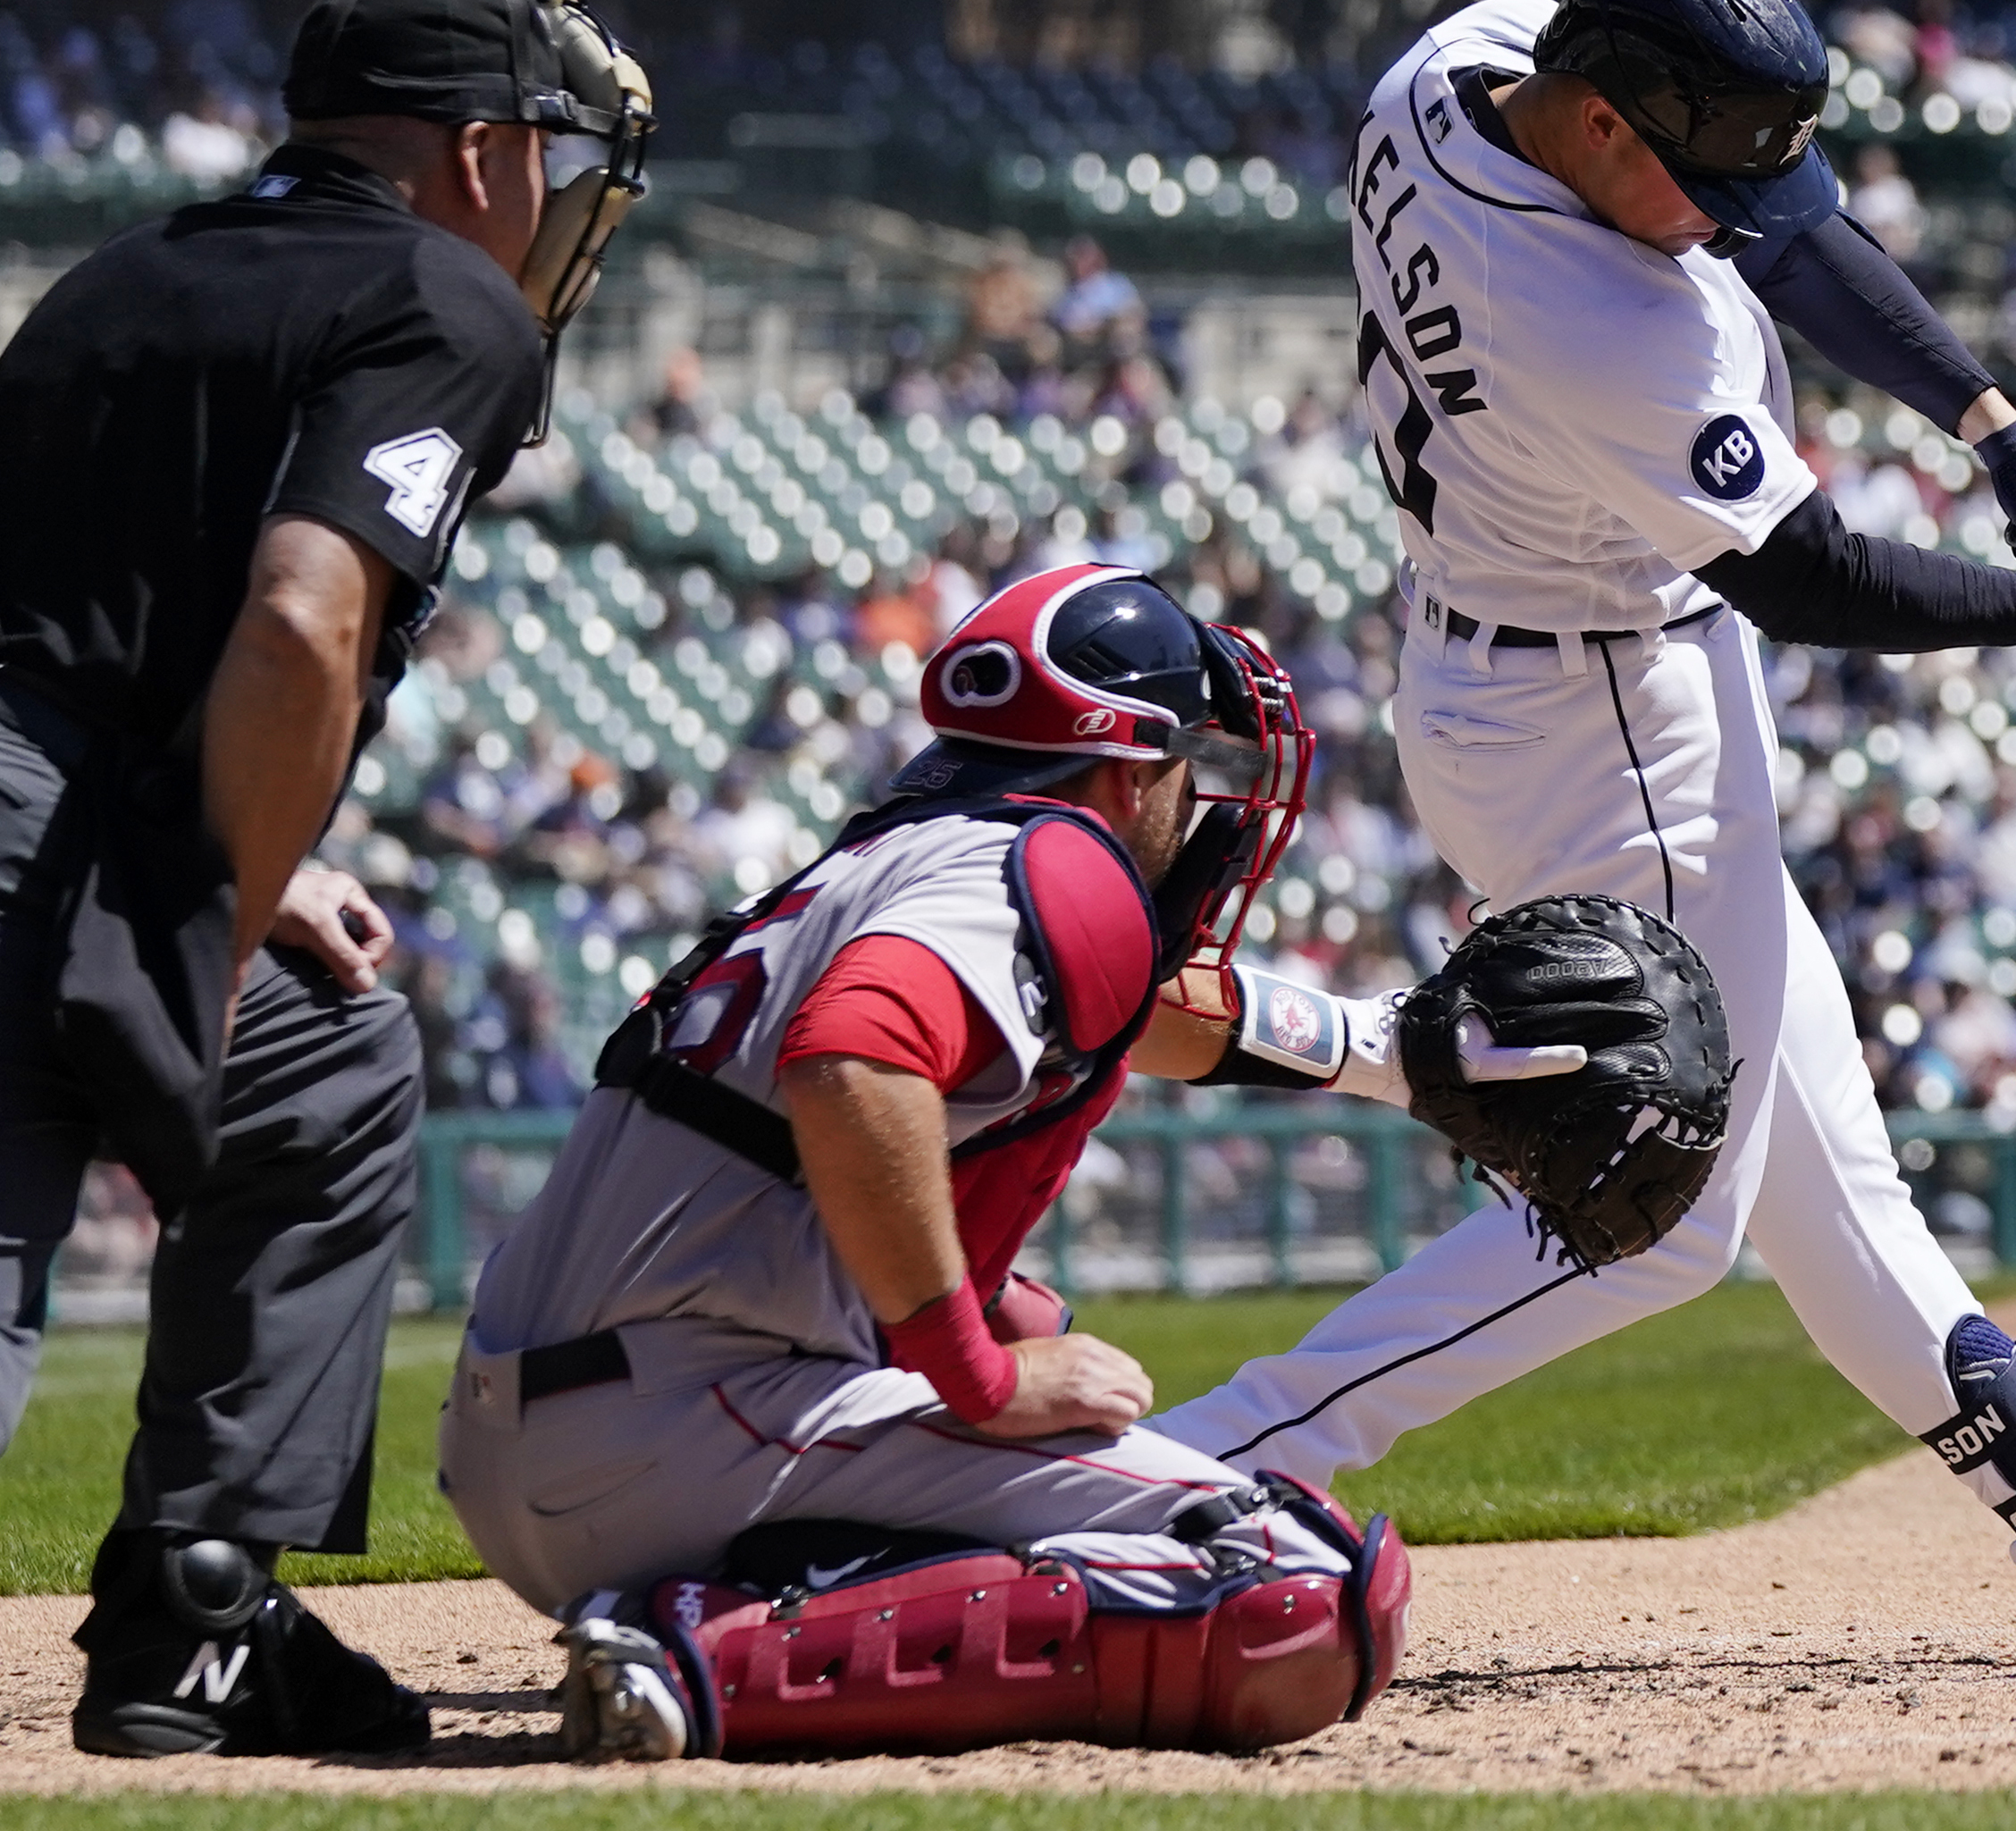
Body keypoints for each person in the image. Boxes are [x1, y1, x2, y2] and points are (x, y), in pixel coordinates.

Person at [1151, 0, 2016, 1663]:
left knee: (1831, 1168)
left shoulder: (1465, 66)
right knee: (1654, 1210)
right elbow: (1806, 583)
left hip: (1525, 662)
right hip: (1605, 718)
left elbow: (1788, 229)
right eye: (1698, 182)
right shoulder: (1592, 316)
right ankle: (1198, 1463)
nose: (1731, 219)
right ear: (1593, 123)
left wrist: (1997, 427)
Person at [446, 564, 1516, 1761]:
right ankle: (697, 1658)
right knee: (1299, 1584)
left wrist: (990, 1308)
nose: (1199, 795)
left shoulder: (884, 857)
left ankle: (727, 1613)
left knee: (1041, 1345)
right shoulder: (1046, 862)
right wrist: (975, 1374)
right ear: (1126, 765)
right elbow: (850, 1058)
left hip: (547, 1425)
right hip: (681, 1430)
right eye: (1185, 760)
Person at [0, 0, 651, 1756]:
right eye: (547, 151)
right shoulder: (449, 300)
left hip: (59, 815)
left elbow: (74, 641)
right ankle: (182, 1604)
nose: (550, 195)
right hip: (53, 856)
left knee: (327, 1056)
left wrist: (241, 869)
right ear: (475, 151)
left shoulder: (112, 281)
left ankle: (195, 1604)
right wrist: (212, 907)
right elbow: (297, 623)